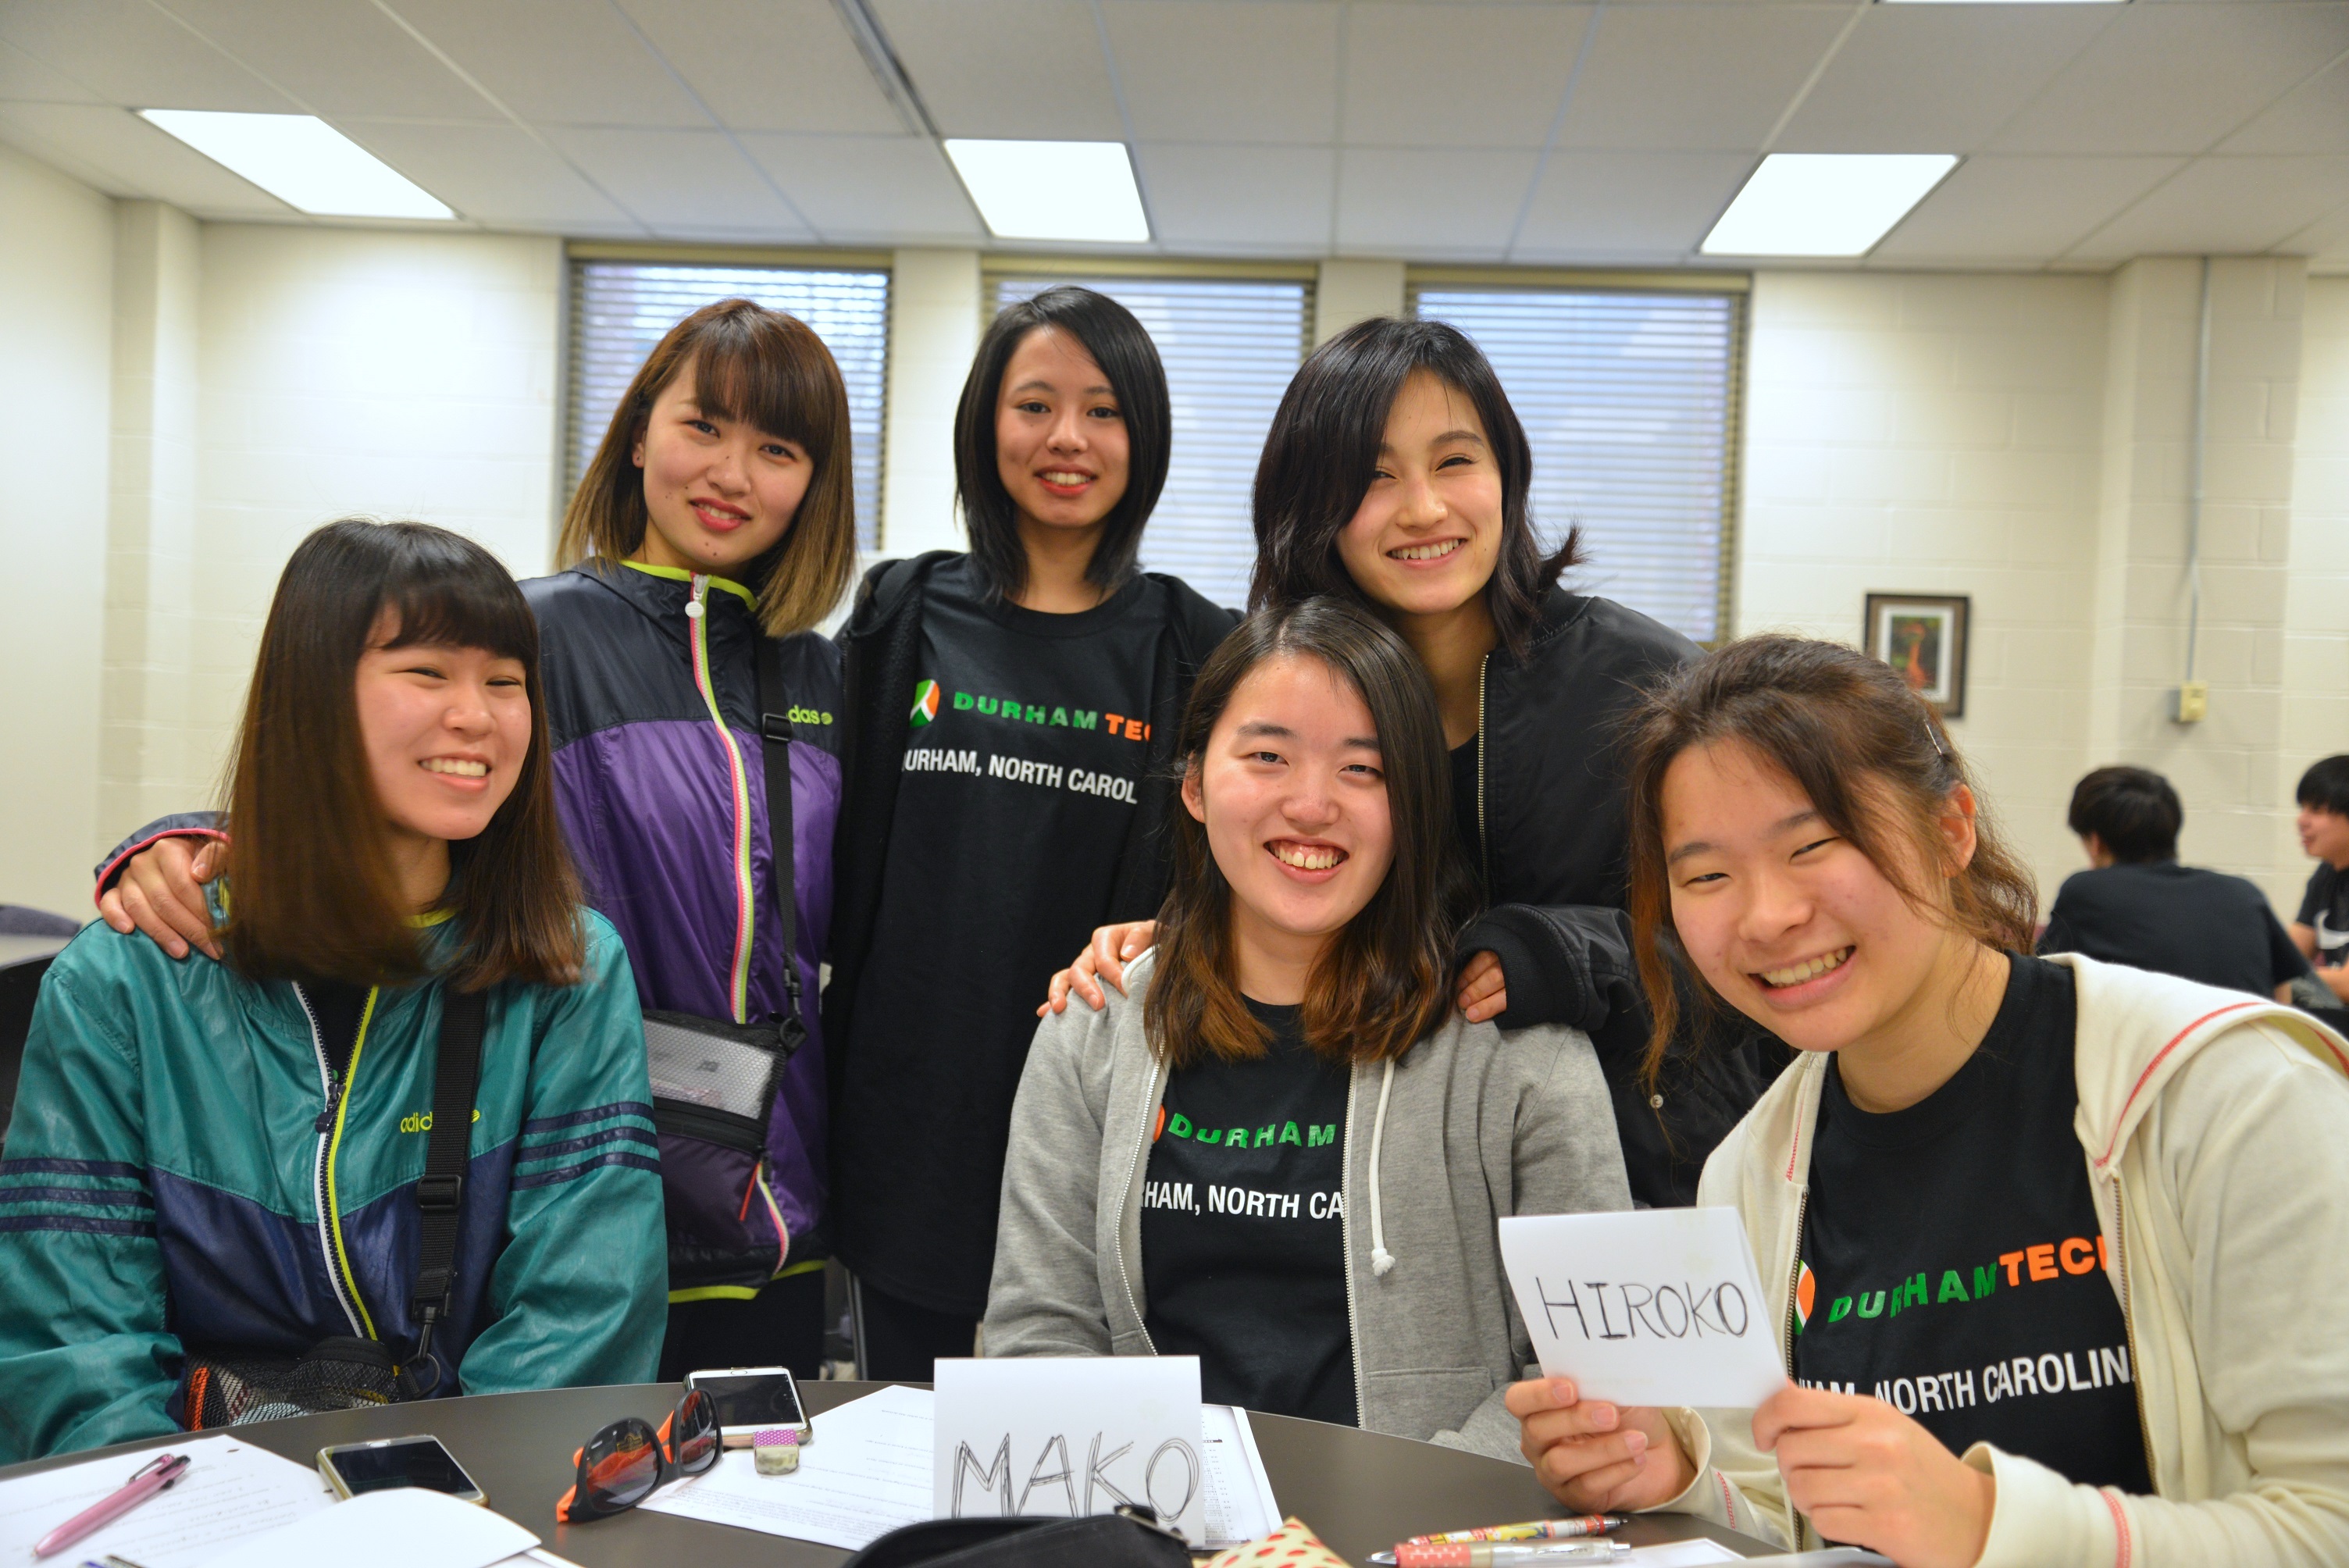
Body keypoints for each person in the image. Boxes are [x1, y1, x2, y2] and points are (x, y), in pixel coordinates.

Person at [89, 301, 858, 1380]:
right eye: (705, 428)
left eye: (777, 449)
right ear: (638, 434)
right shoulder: (524, 635)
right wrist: (173, 844)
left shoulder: (827, 681)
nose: (732, 473)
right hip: (533, 1190)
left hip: (766, 1217)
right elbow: (343, 763)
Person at [1506, 635, 2349, 1566]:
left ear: (1951, 829)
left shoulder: (2225, 1092)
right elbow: (1794, 1523)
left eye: (1813, 844)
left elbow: (2328, 1523)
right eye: (1705, 876)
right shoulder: (1753, 1170)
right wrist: (1673, 1478)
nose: (1764, 916)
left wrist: (1989, 1526)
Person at [1044, 316, 1763, 1207]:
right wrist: (1182, 935)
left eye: (1455, 462)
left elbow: (1757, 945)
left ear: (1506, 474)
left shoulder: (1645, 686)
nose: (1422, 508)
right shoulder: (1291, 687)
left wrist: (1571, 954)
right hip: (1394, 1190)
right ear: (1311, 505)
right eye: (1372, 477)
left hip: (1640, 1177)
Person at [0, 521, 665, 1463]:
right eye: (428, 673)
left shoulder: (565, 969)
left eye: (505, 681)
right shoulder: (128, 979)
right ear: (312, 696)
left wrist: (443, 1519)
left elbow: (579, 1324)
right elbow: (72, 1345)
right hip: (183, 1506)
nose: (476, 715)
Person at [986, 599, 1630, 1455]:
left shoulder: (1518, 1050)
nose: (1312, 803)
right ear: (1192, 785)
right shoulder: (1094, 1023)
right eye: (1266, 756)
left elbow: (1585, 1373)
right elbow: (1038, 1334)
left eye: (1363, 771)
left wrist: (1394, 1537)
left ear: (1412, 807)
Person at [825, 286, 1238, 1379]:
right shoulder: (903, 613)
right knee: (902, 1457)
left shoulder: (1200, 646)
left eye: (1103, 411)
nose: (1067, 439)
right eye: (1035, 405)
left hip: (1106, 1131)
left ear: (1141, 438)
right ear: (985, 426)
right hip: (909, 1118)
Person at [2037, 764, 2312, 1000]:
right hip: (2258, 1052)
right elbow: (2281, 995)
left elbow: (2043, 985)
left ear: (2095, 842)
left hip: (2160, 1057)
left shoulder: (2087, 890)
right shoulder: (2243, 892)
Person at [2290, 754, 2349, 999]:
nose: (2301, 821)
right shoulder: (2326, 873)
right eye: (2303, 808)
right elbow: (2287, 955)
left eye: (2316, 809)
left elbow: (2347, 985)